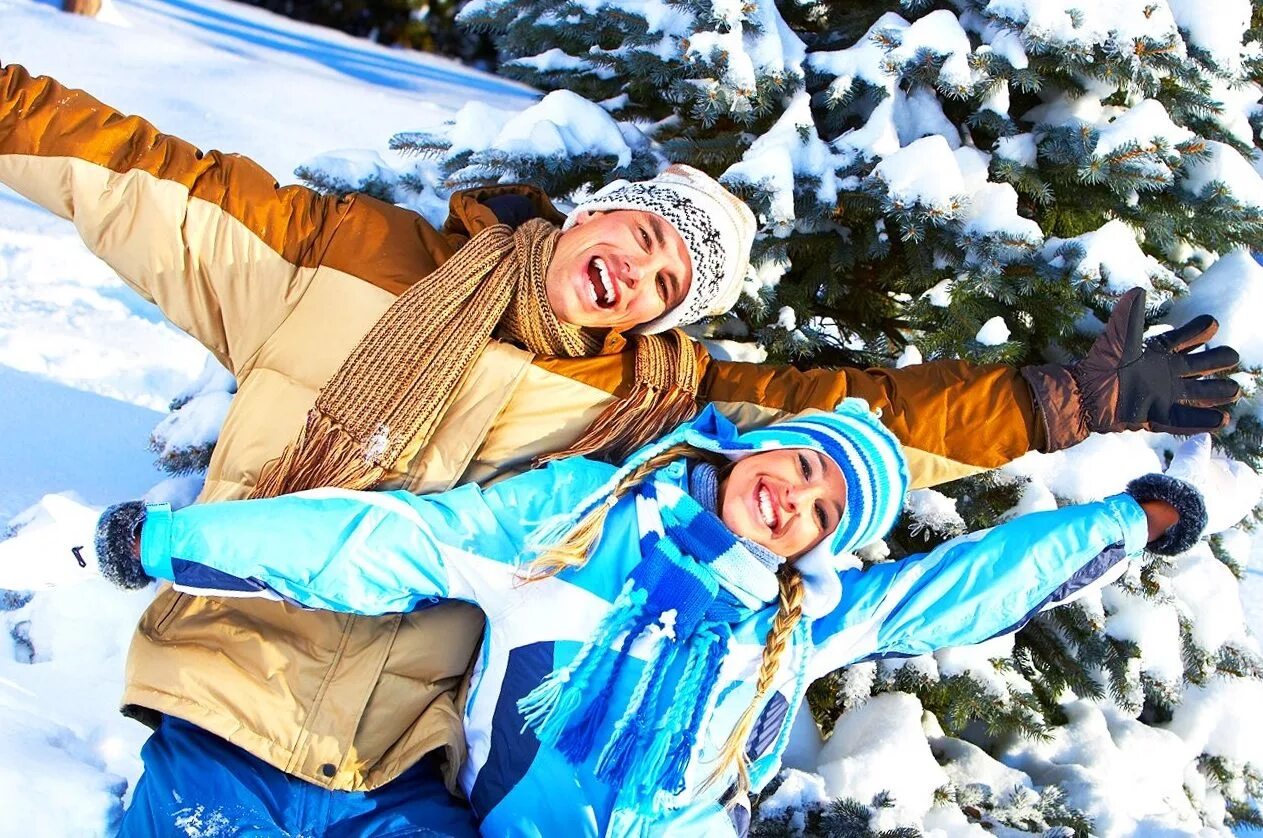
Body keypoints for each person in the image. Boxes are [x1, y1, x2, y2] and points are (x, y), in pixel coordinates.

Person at [0, 60, 1243, 835]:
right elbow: (136, 174)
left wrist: (1056, 406)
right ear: (599, 206)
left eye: (668, 284)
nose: (637, 273)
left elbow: (856, 434)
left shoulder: (651, 416)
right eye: (645, 234)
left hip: (399, 771)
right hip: (223, 708)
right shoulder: (343, 257)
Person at [7, 401, 1211, 835]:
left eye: (825, 511)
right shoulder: (583, 524)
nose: (794, 500)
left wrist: (1127, 525)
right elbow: (377, 543)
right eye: (803, 467)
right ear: (761, 444)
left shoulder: (807, 618)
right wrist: (172, 543)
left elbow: (974, 584)